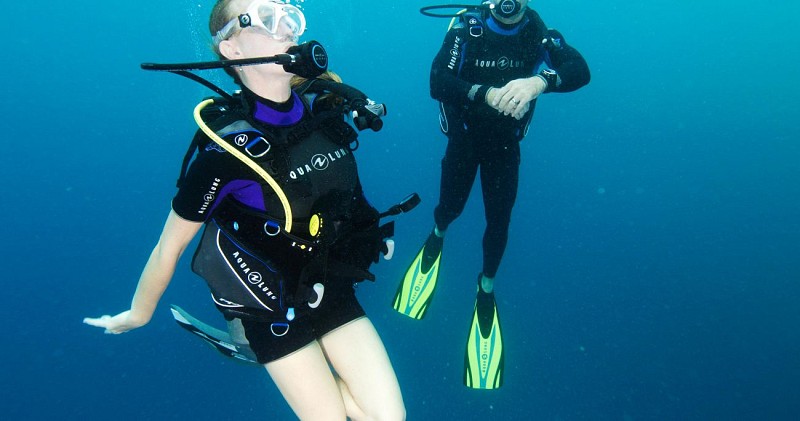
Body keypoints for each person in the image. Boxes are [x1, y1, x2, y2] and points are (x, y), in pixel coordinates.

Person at [84, 1, 406, 419]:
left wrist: (368, 229)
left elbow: (341, 185)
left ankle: (259, 353)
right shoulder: (225, 155)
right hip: (267, 304)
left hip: (327, 280)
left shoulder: (325, 108)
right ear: (231, 49)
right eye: (269, 20)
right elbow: (170, 247)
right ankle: (252, 342)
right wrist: (138, 314)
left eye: (291, 18)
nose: (288, 30)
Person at [393, 0, 590, 389]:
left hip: (505, 146)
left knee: (499, 220)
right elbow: (438, 82)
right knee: (450, 207)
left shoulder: (538, 31)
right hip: (464, 141)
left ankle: (486, 287)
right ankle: (438, 235)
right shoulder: (466, 29)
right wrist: (484, 93)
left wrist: (539, 82)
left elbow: (579, 70)